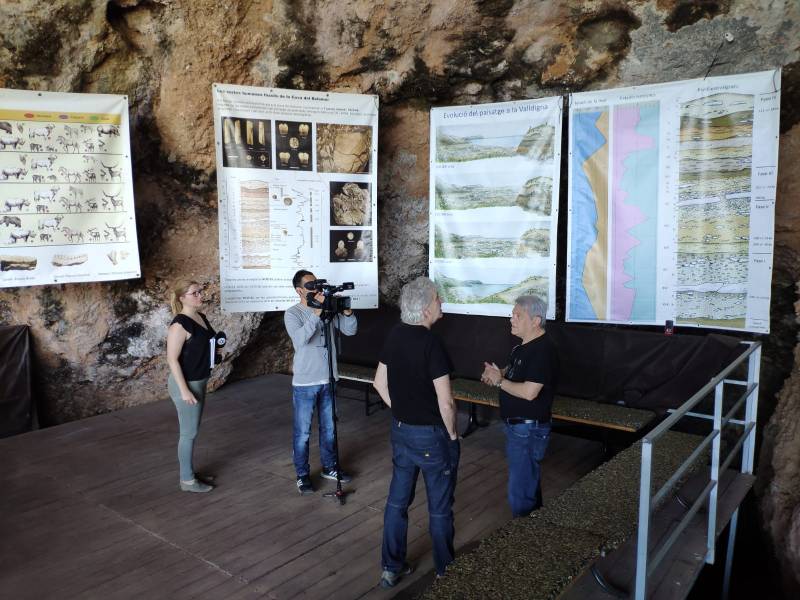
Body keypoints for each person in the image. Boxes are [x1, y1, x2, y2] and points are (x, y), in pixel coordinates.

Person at [373, 276, 460, 588]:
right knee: (439, 508)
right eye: (437, 300)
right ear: (425, 310)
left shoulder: (395, 335)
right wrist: (451, 435)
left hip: (401, 431)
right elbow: (446, 402)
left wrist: (402, 411)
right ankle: (444, 572)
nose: (441, 305)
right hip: (431, 436)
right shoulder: (431, 344)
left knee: (398, 502)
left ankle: (390, 568)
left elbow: (379, 383)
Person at [481, 295, 559, 517]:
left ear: (535, 321)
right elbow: (511, 371)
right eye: (512, 314)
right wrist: (497, 374)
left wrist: (499, 381)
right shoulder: (521, 348)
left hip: (527, 430)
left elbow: (529, 392)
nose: (511, 319)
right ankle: (535, 533)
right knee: (527, 484)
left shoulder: (543, 350)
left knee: (520, 493)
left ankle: (522, 546)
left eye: (518, 315)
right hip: (519, 429)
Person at [284, 269, 357, 495]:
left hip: (329, 378)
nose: (316, 289)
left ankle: (330, 467)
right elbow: (300, 340)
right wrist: (316, 313)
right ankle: (302, 474)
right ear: (299, 290)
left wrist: (346, 312)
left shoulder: (327, 309)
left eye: (317, 284)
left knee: (329, 429)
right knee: (303, 433)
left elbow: (350, 331)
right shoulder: (292, 313)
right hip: (305, 382)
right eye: (310, 285)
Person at [165, 280, 218, 493]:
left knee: (192, 431)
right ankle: (186, 480)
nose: (200, 295)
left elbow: (207, 344)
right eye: (194, 293)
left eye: (200, 292)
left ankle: (190, 472)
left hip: (200, 380)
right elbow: (171, 360)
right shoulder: (180, 324)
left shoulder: (200, 317)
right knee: (188, 433)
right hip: (185, 385)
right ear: (182, 298)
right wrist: (185, 390)